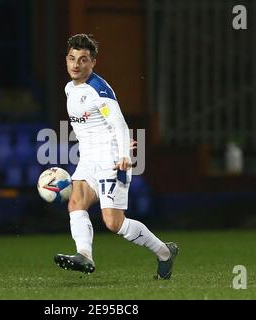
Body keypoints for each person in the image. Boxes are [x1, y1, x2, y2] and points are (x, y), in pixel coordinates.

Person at [54, 34, 179, 279]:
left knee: (114, 223)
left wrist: (124, 154)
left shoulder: (98, 91)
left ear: (93, 63)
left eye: (83, 60)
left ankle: (164, 252)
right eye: (71, 58)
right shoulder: (70, 88)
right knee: (75, 202)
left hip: (112, 159)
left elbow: (119, 124)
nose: (76, 64)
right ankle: (84, 256)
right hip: (89, 158)